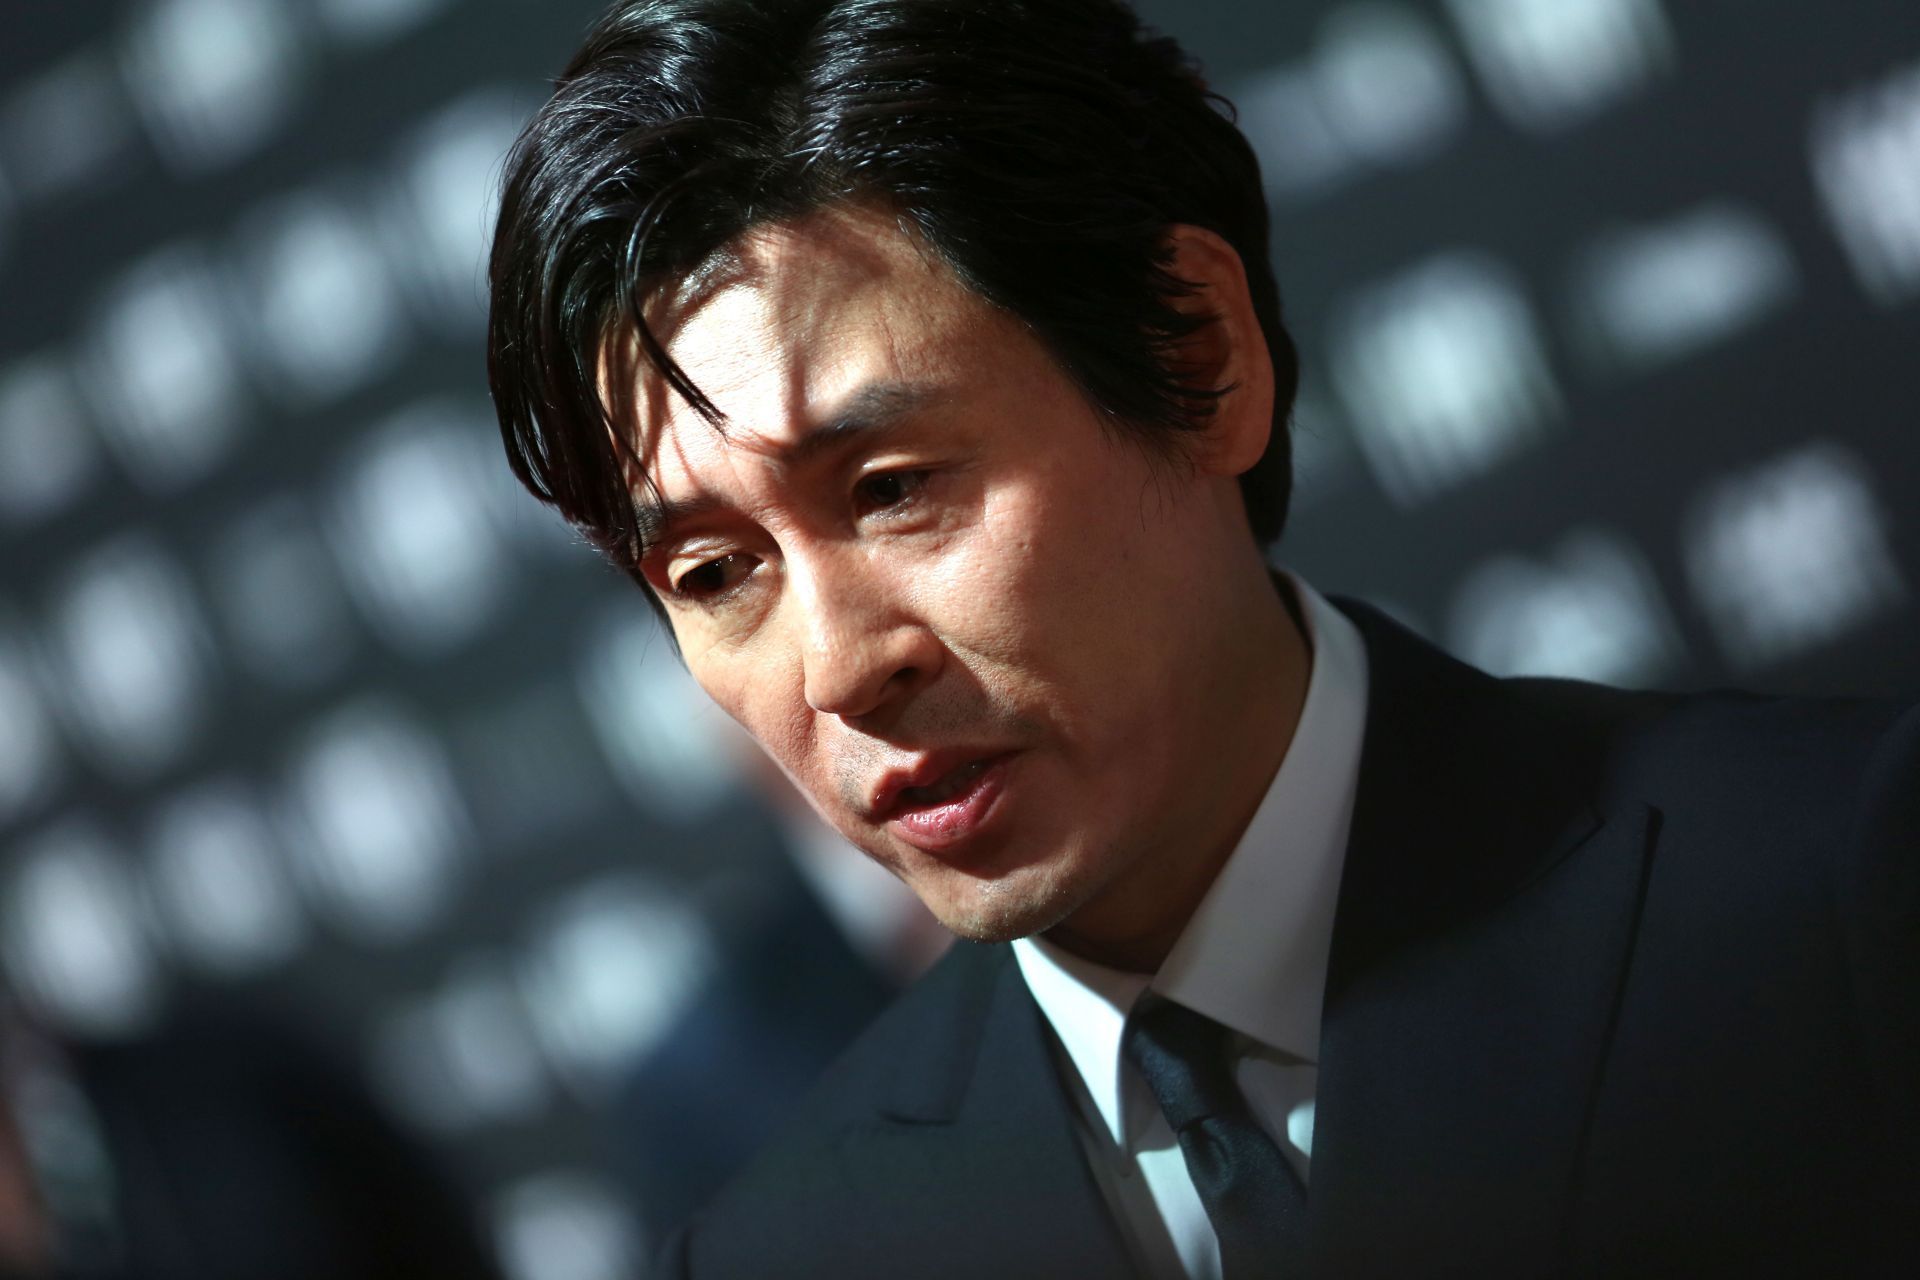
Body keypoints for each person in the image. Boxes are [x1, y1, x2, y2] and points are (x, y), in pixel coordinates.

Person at [485, 1, 1920, 1275]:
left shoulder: (1838, 891)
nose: (840, 668)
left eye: (893, 490)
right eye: (717, 572)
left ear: (1200, 353)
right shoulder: (775, 1251)